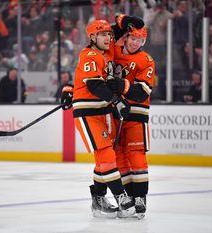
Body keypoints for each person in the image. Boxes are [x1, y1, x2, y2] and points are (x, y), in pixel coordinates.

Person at [61, 19, 139, 218]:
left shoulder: (108, 51)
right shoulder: (89, 55)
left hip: (103, 110)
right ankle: (120, 196)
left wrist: (125, 21)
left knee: (105, 157)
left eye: (108, 34)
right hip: (88, 112)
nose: (108, 37)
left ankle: (98, 199)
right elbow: (94, 85)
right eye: (102, 34)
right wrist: (116, 101)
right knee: (105, 153)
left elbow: (118, 29)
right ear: (92, 37)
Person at [105, 15, 155, 219]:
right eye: (132, 38)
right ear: (125, 37)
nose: (135, 43)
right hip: (115, 113)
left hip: (136, 114)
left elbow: (143, 91)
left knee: (136, 154)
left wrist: (122, 86)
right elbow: (102, 37)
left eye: (140, 40)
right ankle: (129, 198)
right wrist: (121, 20)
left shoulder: (147, 60)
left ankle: (141, 198)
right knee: (118, 156)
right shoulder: (114, 51)